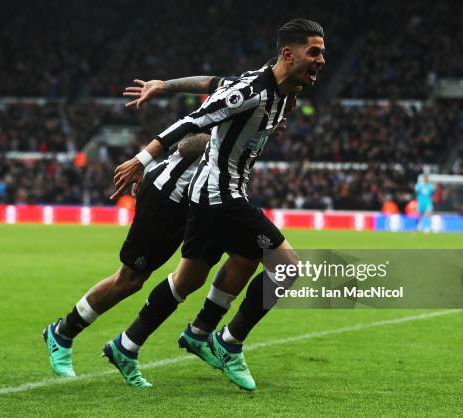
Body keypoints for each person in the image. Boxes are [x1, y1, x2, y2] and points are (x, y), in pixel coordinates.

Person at [106, 18, 325, 391]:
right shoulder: (251, 91)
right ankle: (227, 342)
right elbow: (192, 121)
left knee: (192, 278)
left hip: (213, 196)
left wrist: (165, 84)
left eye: (323, 52)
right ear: (288, 55)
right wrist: (141, 160)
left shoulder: (286, 91)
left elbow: (210, 82)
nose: (321, 60)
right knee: (286, 267)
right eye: (314, 52)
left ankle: (127, 345)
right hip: (220, 197)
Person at [43, 75, 259, 381]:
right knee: (130, 280)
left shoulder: (261, 105)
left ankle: (189, 335)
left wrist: (165, 85)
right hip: (168, 197)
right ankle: (63, 332)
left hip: (204, 202)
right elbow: (185, 144)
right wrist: (223, 140)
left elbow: (206, 82)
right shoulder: (241, 98)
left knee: (238, 257)